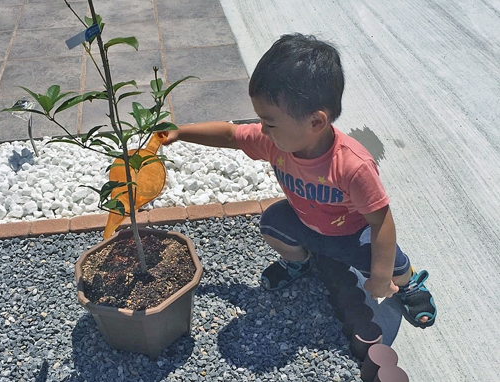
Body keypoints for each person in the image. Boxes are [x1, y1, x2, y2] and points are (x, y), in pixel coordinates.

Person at [163, 33, 437, 328]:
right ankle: (299, 262)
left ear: (316, 122)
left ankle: (409, 284)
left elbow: (381, 221)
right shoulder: (274, 141)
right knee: (272, 224)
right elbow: (231, 135)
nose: (262, 130)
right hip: (306, 222)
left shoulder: (352, 166)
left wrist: (381, 277)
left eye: (269, 122)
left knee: (391, 265)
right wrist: (179, 131)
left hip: (353, 234)